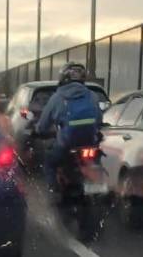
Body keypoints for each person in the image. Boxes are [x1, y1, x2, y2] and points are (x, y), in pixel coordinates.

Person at [35, 62, 103, 198]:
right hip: (89, 144)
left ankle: (53, 192)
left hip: (66, 145)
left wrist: (39, 130)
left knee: (49, 162)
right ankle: (97, 189)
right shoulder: (92, 96)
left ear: (63, 78)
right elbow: (99, 120)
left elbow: (43, 124)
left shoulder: (57, 97)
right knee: (96, 162)